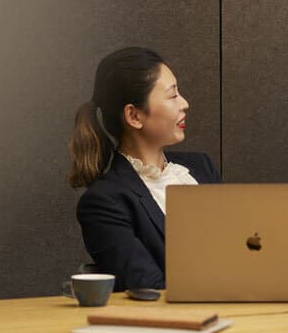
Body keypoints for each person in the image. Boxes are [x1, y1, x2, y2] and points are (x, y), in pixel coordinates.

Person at [68, 47, 219, 291]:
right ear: (134, 116)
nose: (185, 103)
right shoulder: (104, 202)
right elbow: (148, 287)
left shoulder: (201, 168)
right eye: (172, 96)